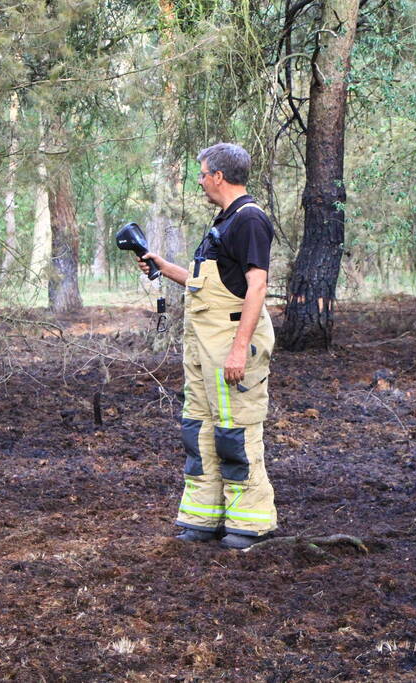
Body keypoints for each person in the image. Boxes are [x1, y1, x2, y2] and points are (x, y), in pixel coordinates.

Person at [138, 142, 277, 550]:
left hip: (231, 343)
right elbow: (207, 284)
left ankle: (250, 522)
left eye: (202, 174)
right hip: (202, 345)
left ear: (219, 176)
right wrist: (163, 266)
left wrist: (240, 348)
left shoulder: (250, 220)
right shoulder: (224, 220)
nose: (199, 181)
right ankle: (204, 516)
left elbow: (257, 286)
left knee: (235, 430)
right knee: (198, 429)